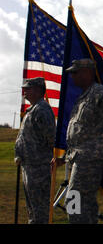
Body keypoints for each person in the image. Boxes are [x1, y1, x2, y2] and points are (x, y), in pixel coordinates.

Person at [52, 58, 103, 223]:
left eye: (75, 72)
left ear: (87, 72)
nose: (72, 76)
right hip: (78, 157)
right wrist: (64, 157)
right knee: (85, 204)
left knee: (74, 199)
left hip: (90, 157)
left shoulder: (100, 93)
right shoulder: (82, 97)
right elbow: (79, 132)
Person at [15, 77, 55, 224]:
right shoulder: (32, 110)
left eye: (28, 88)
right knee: (32, 208)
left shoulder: (42, 110)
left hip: (39, 168)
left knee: (39, 209)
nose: (24, 91)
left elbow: (51, 138)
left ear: (38, 90)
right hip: (29, 166)